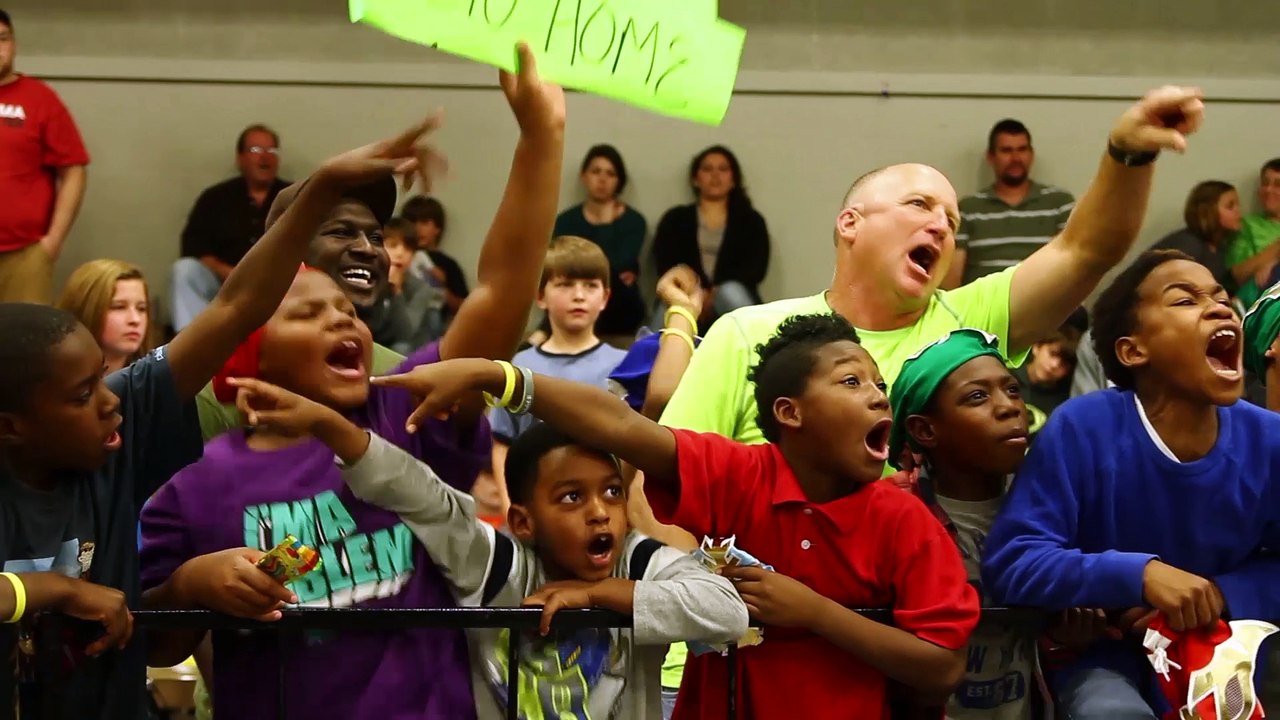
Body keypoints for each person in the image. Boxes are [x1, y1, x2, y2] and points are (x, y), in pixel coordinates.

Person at [139, 44, 566, 720]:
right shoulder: (195, 480)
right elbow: (154, 639)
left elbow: (502, 288)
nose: (345, 319)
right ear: (247, 348)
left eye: (347, 311)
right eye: (310, 310)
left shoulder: (404, 407)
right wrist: (194, 585)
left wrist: (543, 138)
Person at [0, 112, 431, 719]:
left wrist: (326, 184)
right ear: (10, 426)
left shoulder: (121, 436)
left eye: (102, 379)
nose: (108, 401)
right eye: (80, 395)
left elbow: (235, 307)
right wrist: (52, 589)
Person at [373, 313, 981, 720]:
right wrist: (495, 376)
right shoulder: (742, 474)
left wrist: (814, 611)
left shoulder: (905, 520)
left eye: (878, 382)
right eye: (852, 381)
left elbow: (942, 665)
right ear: (790, 413)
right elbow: (620, 424)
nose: (878, 394)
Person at [659, 86, 1206, 449]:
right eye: (920, 205)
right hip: (769, 614)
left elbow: (1085, 250)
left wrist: (1128, 153)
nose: (943, 226)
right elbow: (666, 477)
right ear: (850, 223)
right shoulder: (748, 333)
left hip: (931, 615)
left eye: (952, 218)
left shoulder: (968, 325)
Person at [224, 379, 748, 719]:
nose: (599, 511)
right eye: (571, 497)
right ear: (522, 520)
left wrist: (603, 596)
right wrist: (327, 425)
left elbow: (725, 610)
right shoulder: (499, 565)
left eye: (611, 492)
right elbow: (419, 493)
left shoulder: (638, 561)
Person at [981, 249, 1280, 719]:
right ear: (1133, 350)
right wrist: (1142, 577)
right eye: (1185, 300)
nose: (1221, 307)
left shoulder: (1269, 440)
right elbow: (1014, 560)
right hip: (1101, 658)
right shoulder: (1083, 426)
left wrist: (1217, 593)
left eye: (1222, 298)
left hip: (1219, 667)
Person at [888, 328, 1039, 719]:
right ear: (925, 430)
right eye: (977, 397)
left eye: (1012, 390)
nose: (1009, 407)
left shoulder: (1049, 501)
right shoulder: (893, 513)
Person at [0, 9, 88, 304]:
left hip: (25, 254)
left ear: (14, 44)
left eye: (2, 39)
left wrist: (53, 240)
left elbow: (73, 169)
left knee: (25, 345)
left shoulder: (40, 99)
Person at [170, 124, 290, 330]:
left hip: (280, 288)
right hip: (224, 286)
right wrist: (232, 274)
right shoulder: (215, 198)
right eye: (256, 150)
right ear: (240, 158)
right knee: (183, 270)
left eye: (271, 151)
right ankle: (192, 349)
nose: (265, 157)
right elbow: (194, 247)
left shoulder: (294, 196)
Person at [944, 119, 1076, 289]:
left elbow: (1071, 266)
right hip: (984, 309)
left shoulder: (1059, 204)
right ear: (991, 157)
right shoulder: (968, 209)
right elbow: (951, 279)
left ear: (1031, 154)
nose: (1015, 158)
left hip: (1045, 306)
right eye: (1006, 151)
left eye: (1022, 150)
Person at [652, 145, 769, 325]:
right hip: (686, 292)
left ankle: (761, 350)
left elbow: (756, 268)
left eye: (723, 169)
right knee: (672, 298)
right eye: (707, 169)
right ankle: (651, 352)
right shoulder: (675, 218)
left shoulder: (751, 220)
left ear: (733, 180)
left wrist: (715, 292)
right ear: (695, 179)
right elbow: (665, 262)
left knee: (730, 291)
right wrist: (697, 291)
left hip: (731, 297)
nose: (715, 175)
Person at [554, 144, 648, 337]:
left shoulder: (633, 221)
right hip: (574, 294)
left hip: (620, 305)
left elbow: (611, 268)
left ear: (619, 181)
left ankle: (542, 332)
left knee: (606, 279)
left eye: (610, 174)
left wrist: (606, 223)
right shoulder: (567, 220)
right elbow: (561, 265)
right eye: (596, 171)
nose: (602, 179)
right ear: (584, 176)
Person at [56, 259, 154, 374]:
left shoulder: (159, 382)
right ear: (87, 309)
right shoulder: (52, 385)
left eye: (141, 308)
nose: (135, 320)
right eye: (119, 307)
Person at [1151, 180, 1242, 297]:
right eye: (1230, 206)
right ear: (1207, 211)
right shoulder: (1188, 245)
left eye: (1237, 205)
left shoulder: (1219, 247)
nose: (1238, 211)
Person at [401, 194, 468, 331]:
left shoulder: (447, 264)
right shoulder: (396, 256)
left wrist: (442, 289)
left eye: (424, 222)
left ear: (437, 228)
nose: (417, 228)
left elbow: (465, 309)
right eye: (412, 222)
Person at [383, 216, 445, 353]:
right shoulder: (369, 277)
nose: (400, 254)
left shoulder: (422, 289)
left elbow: (405, 334)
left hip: (407, 349)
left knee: (401, 347)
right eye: (393, 246)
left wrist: (397, 291)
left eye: (408, 249)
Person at [1225, 158, 1280, 308]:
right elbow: (1237, 275)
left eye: (1277, 184)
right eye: (1265, 183)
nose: (1268, 190)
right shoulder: (1247, 225)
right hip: (1258, 297)